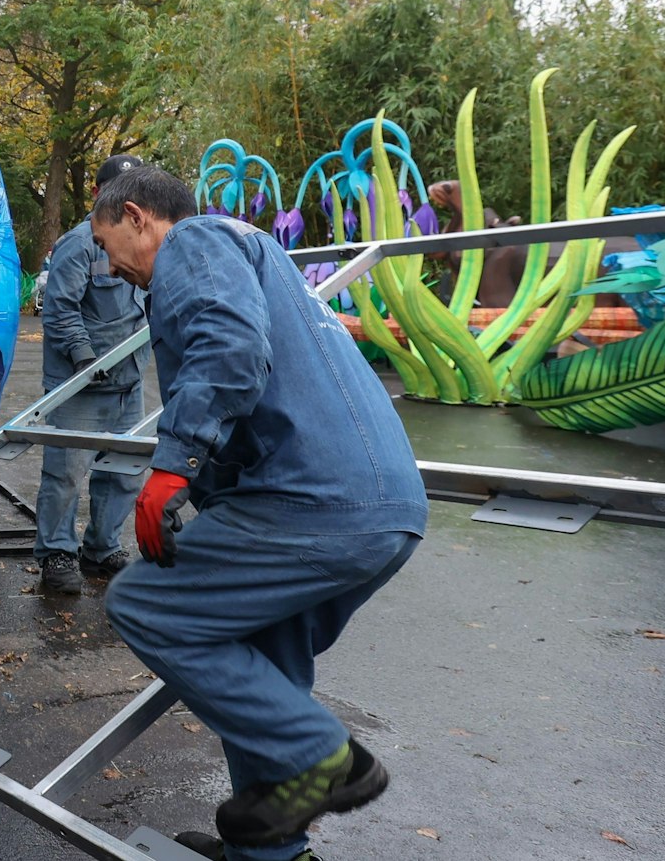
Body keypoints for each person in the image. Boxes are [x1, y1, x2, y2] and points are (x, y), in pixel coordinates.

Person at [91, 166, 427, 861]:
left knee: (146, 605)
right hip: (380, 503)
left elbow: (230, 350)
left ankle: (324, 757)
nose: (107, 266)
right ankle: (272, 855)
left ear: (136, 216)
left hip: (313, 499)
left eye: (104, 243)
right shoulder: (257, 255)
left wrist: (171, 467)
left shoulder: (195, 241)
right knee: (265, 660)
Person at [35, 154, 149, 595]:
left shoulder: (143, 241)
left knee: (124, 473)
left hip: (129, 382)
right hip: (82, 385)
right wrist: (86, 359)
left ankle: (101, 548)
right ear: (98, 193)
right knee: (65, 475)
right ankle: (56, 553)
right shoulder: (79, 245)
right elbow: (59, 309)